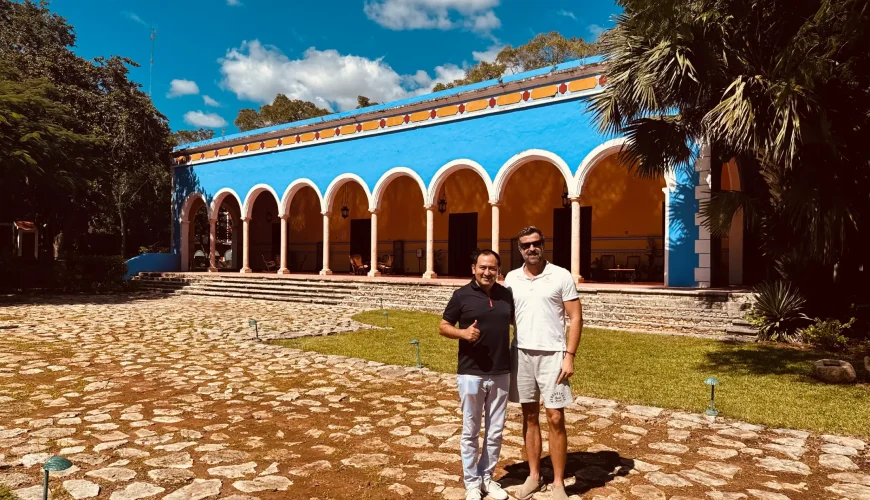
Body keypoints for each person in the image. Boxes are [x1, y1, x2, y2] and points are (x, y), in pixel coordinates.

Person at [504, 226, 582, 500]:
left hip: (553, 356)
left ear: (543, 245)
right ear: (519, 249)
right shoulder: (512, 279)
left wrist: (569, 355)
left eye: (535, 244)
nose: (531, 249)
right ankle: (534, 475)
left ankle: (559, 483)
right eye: (525, 245)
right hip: (522, 353)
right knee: (529, 416)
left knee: (555, 416)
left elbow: (575, 317)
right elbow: (508, 316)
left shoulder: (560, 276)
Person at [439, 249, 513, 500]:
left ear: (498, 271)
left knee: (495, 431)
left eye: (492, 268)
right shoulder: (461, 296)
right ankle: (471, 482)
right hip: (471, 372)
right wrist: (462, 334)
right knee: (471, 430)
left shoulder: (506, 295)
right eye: (482, 267)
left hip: (502, 371)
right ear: (474, 268)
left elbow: (519, 321)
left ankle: (487, 478)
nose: (487, 272)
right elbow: (443, 326)